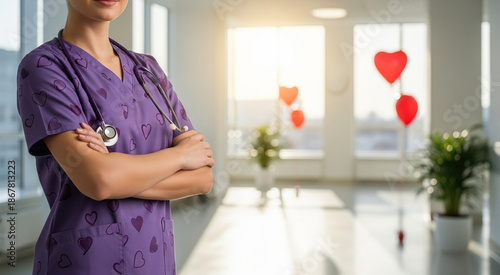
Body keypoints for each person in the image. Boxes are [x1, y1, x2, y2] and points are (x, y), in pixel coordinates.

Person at [16, 1, 214, 274]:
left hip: (156, 257)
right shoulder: (44, 67)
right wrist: (180, 156)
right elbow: (100, 181)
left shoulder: (149, 70)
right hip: (85, 261)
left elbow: (203, 178)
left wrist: (114, 174)